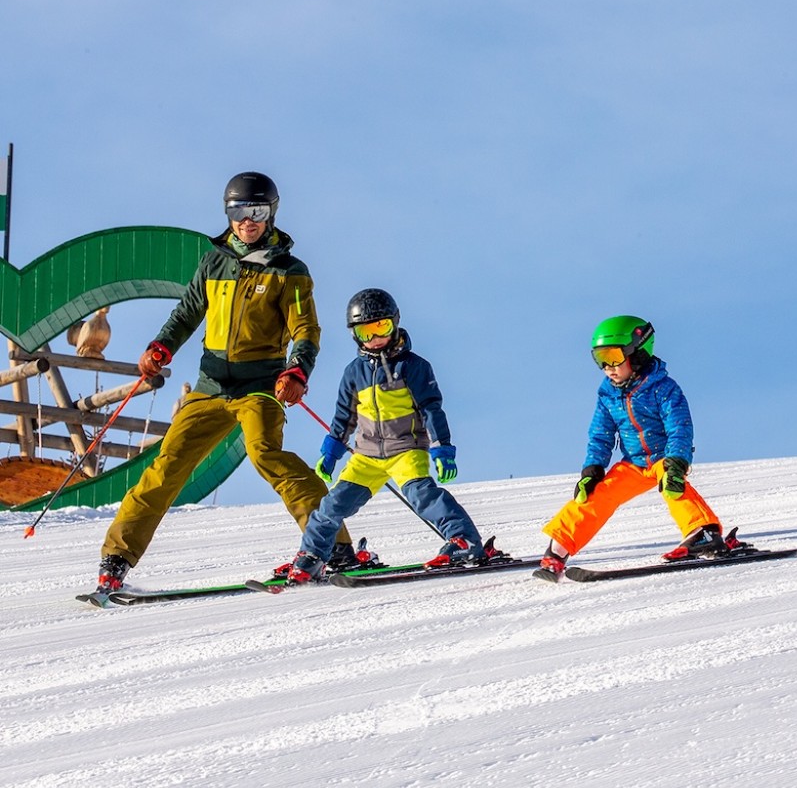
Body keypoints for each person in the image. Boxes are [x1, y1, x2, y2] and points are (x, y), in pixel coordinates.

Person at [94, 172, 363, 596]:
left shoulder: (289, 270)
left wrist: (297, 371)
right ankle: (116, 560)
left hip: (260, 386)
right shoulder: (214, 262)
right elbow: (186, 314)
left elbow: (306, 329)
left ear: (271, 213)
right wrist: (161, 347)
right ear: (229, 213)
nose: (247, 221)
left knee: (266, 456)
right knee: (167, 468)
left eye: (256, 211)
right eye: (238, 211)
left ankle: (336, 546)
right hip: (210, 386)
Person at [283, 288, 493, 584]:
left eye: (381, 327)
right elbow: (344, 417)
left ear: (395, 323)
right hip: (366, 457)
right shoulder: (353, 372)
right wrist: (330, 454)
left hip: (405, 450)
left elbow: (431, 409)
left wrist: (442, 449)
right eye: (365, 332)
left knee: (423, 496)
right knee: (330, 508)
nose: (374, 338)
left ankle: (463, 541)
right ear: (355, 335)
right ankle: (312, 557)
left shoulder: (414, 366)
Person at [537, 315, 745, 577]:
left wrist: (676, 462)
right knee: (595, 494)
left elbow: (679, 428)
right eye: (600, 359)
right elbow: (600, 436)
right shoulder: (608, 394)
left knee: (672, 486)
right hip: (634, 463)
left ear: (637, 354)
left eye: (613, 356)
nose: (607, 367)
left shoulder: (663, 389)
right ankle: (558, 549)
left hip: (663, 458)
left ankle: (704, 532)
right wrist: (592, 469)